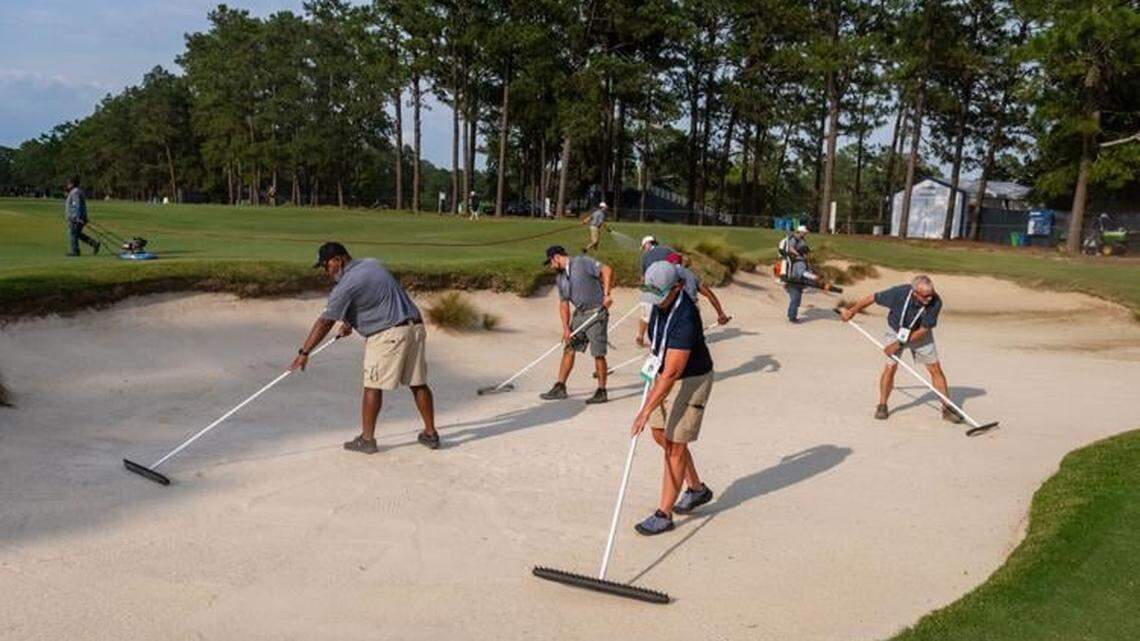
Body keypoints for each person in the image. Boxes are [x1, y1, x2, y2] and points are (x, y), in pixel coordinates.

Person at [289, 242, 441, 454]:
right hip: (414, 327)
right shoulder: (373, 264)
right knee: (418, 383)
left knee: (372, 385)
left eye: (326, 265)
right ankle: (431, 434)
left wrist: (304, 353)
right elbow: (376, 297)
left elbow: (325, 321)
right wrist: (352, 322)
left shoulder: (345, 285)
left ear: (338, 260)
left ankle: (367, 440)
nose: (326, 271)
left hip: (387, 335)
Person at [630, 261, 715, 535]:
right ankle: (697, 488)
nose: (655, 301)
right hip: (664, 373)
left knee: (675, 447)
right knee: (661, 436)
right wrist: (648, 373)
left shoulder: (686, 318)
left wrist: (644, 410)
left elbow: (673, 372)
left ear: (677, 288)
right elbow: (659, 352)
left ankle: (664, 514)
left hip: (691, 380)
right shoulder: (660, 305)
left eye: (660, 295)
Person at [840, 275, 963, 424]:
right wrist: (852, 311)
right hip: (896, 330)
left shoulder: (935, 301)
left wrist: (897, 345)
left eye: (931, 294)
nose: (929, 298)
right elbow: (873, 298)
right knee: (890, 368)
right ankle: (882, 405)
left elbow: (924, 329)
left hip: (919, 334)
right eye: (925, 296)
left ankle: (947, 409)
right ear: (914, 292)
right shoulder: (898, 293)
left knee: (935, 369)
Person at [539, 245, 614, 404]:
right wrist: (566, 328)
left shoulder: (581, 262)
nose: (551, 266)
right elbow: (564, 304)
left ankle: (601, 391)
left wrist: (607, 294)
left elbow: (606, 269)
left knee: (598, 353)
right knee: (569, 348)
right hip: (579, 315)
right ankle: (560, 387)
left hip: (596, 314)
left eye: (551, 262)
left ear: (557, 257)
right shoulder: (560, 279)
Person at [668, 253, 731, 327]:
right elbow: (709, 294)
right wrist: (720, 313)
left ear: (673, 262)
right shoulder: (692, 275)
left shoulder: (669, 272)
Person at [635, 236, 676, 347]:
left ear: (647, 244)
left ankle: (640, 336)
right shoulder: (667, 250)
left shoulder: (645, 256)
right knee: (667, 312)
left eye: (644, 247)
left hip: (651, 288)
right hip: (667, 288)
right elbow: (677, 264)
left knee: (646, 315)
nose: (644, 249)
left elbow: (643, 278)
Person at [778, 225, 811, 323]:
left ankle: (791, 314)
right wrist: (813, 277)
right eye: (804, 232)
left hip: (796, 281)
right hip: (795, 281)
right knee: (795, 298)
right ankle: (792, 317)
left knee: (796, 299)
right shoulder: (795, 240)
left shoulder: (801, 240)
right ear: (800, 232)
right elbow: (791, 248)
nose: (805, 234)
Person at [64, 176, 100, 257]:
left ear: (72, 184)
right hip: (76, 217)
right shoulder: (75, 192)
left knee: (73, 233)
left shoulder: (75, 192)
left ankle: (75, 251)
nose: (67, 185)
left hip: (76, 218)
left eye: (68, 183)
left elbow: (78, 205)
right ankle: (94, 243)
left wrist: (78, 217)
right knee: (77, 234)